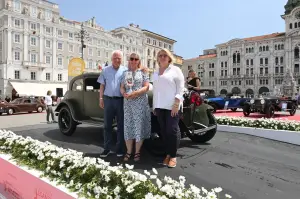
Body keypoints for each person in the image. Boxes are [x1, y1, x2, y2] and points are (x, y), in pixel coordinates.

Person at [152, 48, 184, 168]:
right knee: (164, 131)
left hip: (172, 106)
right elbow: (155, 90)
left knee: (172, 131)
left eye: (165, 55)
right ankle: (168, 154)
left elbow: (180, 88)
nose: (162, 57)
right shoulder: (155, 72)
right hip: (160, 106)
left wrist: (176, 104)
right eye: (160, 55)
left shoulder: (176, 70)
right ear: (158, 58)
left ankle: (173, 156)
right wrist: (154, 106)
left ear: (169, 57)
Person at [120, 53, 151, 162]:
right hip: (128, 103)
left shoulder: (143, 72)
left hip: (140, 103)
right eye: (131, 59)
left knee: (139, 126)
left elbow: (147, 87)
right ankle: (129, 151)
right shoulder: (125, 73)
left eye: (136, 59)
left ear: (138, 60)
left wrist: (136, 93)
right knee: (128, 126)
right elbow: (122, 87)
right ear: (129, 60)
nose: (133, 60)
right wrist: (123, 93)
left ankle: (137, 152)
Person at [97, 50, 127, 158]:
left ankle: (119, 149)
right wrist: (100, 98)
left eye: (119, 58)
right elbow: (102, 85)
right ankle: (107, 149)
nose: (117, 60)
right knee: (107, 126)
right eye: (115, 58)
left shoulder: (125, 70)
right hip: (108, 100)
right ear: (111, 59)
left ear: (122, 59)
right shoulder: (105, 70)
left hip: (120, 101)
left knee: (121, 126)